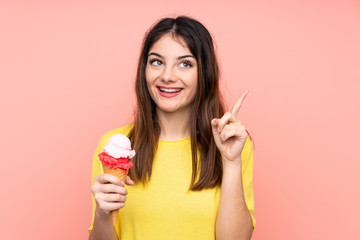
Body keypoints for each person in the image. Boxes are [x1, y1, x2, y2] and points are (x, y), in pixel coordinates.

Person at [88, 16, 255, 240]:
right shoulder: (114, 145)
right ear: (144, 69)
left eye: (185, 64)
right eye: (157, 62)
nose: (167, 76)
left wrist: (231, 162)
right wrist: (102, 212)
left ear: (204, 73)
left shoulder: (232, 145)